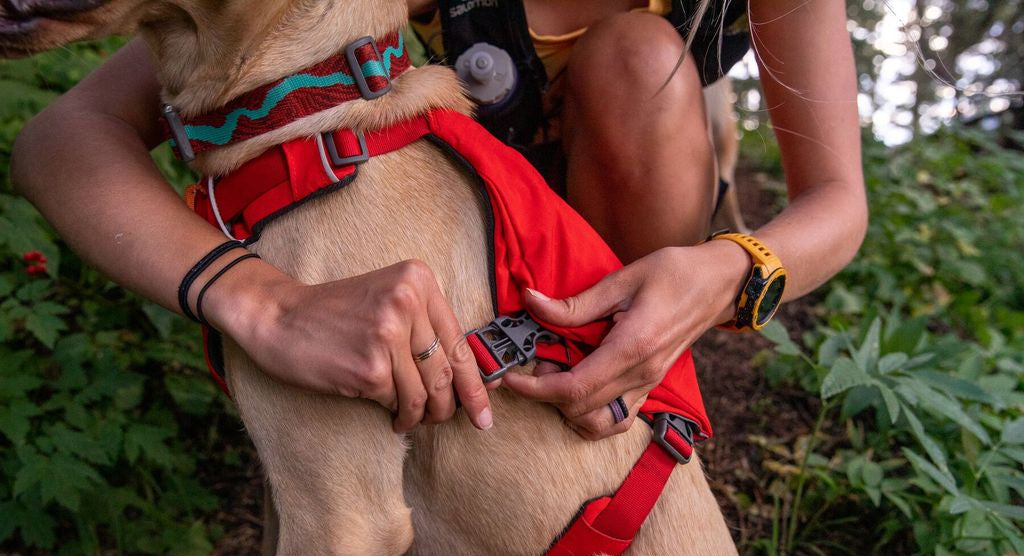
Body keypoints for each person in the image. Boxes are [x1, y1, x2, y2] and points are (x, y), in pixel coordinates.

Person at [11, 0, 867, 440]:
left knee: (637, 58)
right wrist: (255, 297)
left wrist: (724, 270)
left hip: (626, 255)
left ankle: (625, 407)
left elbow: (838, 205)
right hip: (473, 252)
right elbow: (64, 136)